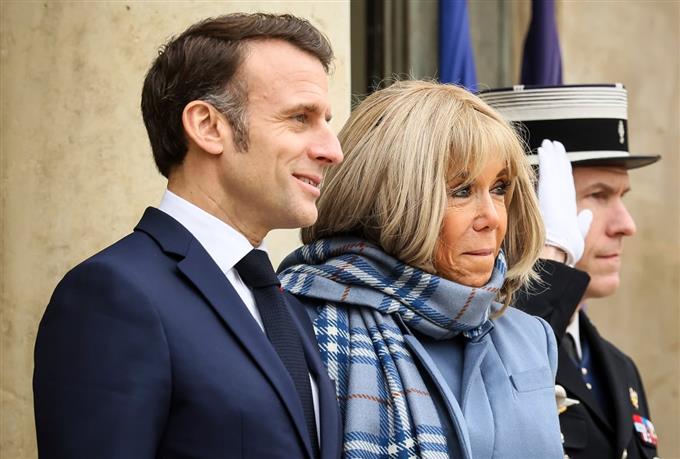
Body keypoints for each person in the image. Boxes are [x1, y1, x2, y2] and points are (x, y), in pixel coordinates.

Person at [33, 13, 343, 459]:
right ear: (207, 126)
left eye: (325, 121)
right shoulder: (113, 295)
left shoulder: (285, 306)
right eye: (299, 117)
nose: (332, 150)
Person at [278, 80, 563, 458]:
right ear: (388, 199)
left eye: (499, 188)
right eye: (462, 190)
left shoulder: (531, 337)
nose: (493, 217)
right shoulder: (296, 325)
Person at [480, 84, 661, 459]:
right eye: (598, 195)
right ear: (530, 207)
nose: (626, 225)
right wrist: (551, 260)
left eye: (621, 196)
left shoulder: (619, 367)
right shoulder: (481, 348)